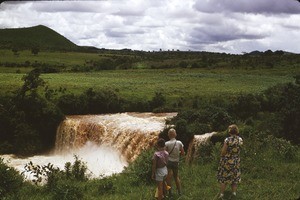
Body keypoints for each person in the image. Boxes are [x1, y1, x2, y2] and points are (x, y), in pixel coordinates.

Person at [217, 124, 243, 199]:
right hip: (236, 161)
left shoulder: (227, 140)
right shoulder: (240, 140)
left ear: (229, 131)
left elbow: (223, 152)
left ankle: (221, 194)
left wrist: (223, 155)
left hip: (227, 161)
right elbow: (239, 149)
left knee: (224, 178)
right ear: (237, 131)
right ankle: (234, 193)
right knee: (234, 178)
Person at [165, 128, 185, 196]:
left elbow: (165, 154)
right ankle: (180, 192)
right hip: (176, 162)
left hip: (168, 162)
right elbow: (182, 153)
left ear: (168, 135)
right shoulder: (179, 143)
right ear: (175, 134)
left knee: (168, 178)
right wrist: (178, 153)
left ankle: (170, 192)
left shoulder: (166, 143)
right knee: (176, 177)